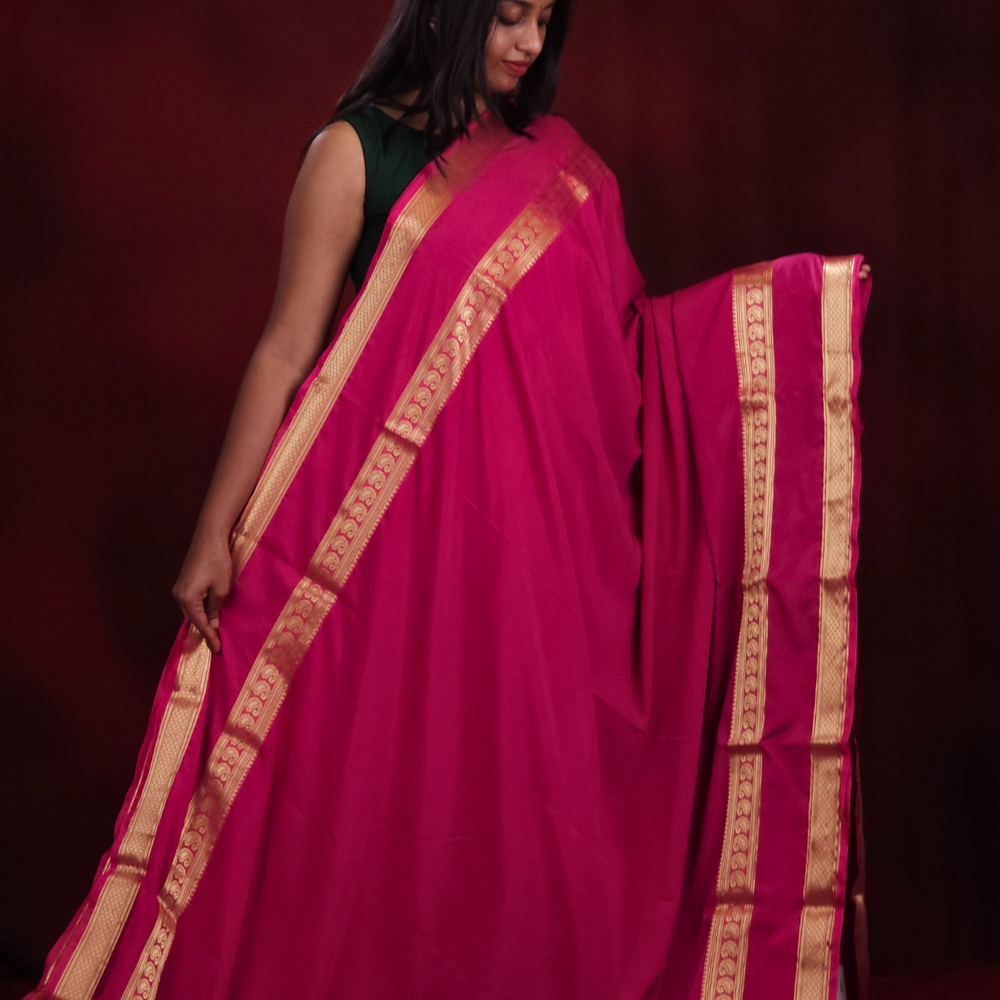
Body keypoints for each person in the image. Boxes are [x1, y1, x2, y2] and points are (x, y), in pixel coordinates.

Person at [28, 2, 870, 998]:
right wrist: (213, 533)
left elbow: (624, 356)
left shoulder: (563, 172)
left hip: (527, 558)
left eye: (545, 20)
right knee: (371, 802)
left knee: (498, 805)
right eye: (509, 16)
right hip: (385, 551)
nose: (529, 44)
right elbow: (286, 349)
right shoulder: (355, 152)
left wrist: (774, 322)